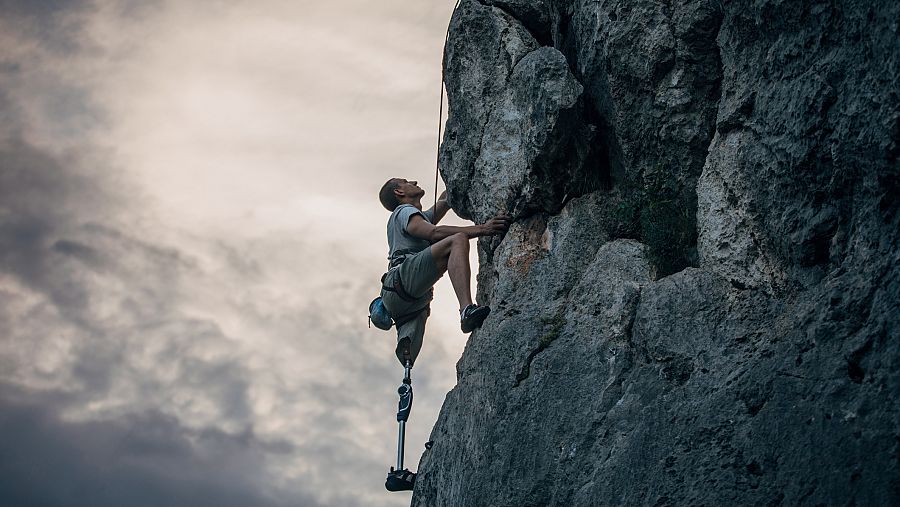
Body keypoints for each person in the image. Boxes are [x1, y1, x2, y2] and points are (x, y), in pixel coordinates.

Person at [378, 178, 510, 366]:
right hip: (403, 280)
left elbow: (444, 201)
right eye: (406, 181)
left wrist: (455, 180)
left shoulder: (413, 216)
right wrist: (483, 228)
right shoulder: (404, 212)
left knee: (409, 343)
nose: (414, 181)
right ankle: (466, 309)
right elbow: (433, 233)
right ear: (399, 192)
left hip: (401, 295)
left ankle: (407, 369)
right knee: (458, 240)